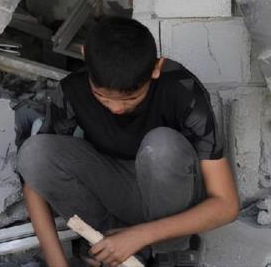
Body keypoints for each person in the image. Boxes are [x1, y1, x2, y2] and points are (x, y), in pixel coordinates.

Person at [17, 17, 239, 267]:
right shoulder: (73, 91)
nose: (116, 109)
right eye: (102, 96)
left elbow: (226, 204)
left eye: (131, 98)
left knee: (161, 146)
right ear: (84, 55)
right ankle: (109, 246)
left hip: (173, 201)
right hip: (118, 191)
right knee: (34, 152)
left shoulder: (181, 89)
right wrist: (57, 262)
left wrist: (141, 235)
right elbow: (34, 179)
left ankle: (170, 254)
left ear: (156, 68)